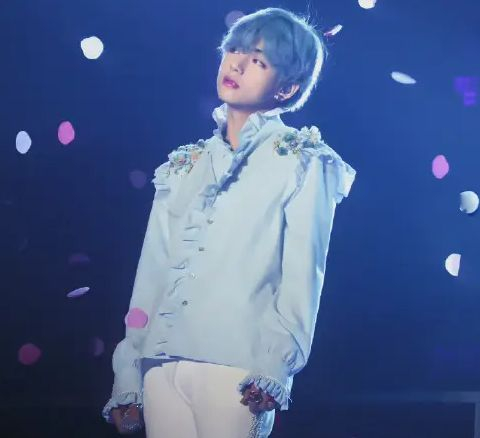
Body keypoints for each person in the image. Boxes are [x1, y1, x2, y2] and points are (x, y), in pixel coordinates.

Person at [102, 7, 356, 437]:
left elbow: (303, 274)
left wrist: (276, 364)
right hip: (160, 366)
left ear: (287, 87)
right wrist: (128, 371)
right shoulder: (183, 165)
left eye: (258, 60)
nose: (236, 64)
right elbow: (151, 273)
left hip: (237, 368)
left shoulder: (302, 160)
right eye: (234, 50)